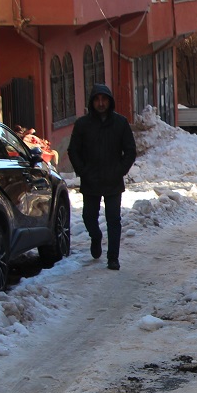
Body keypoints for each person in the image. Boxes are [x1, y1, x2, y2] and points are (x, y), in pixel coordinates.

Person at [66, 83, 136, 270]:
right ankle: (95, 237)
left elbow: (130, 150)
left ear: (109, 101)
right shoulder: (83, 125)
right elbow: (73, 151)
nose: (101, 103)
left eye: (104, 99)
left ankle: (113, 258)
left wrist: (120, 170)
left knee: (113, 220)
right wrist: (83, 171)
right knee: (89, 216)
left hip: (113, 180)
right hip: (91, 180)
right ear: (92, 102)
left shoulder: (120, 123)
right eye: (97, 99)